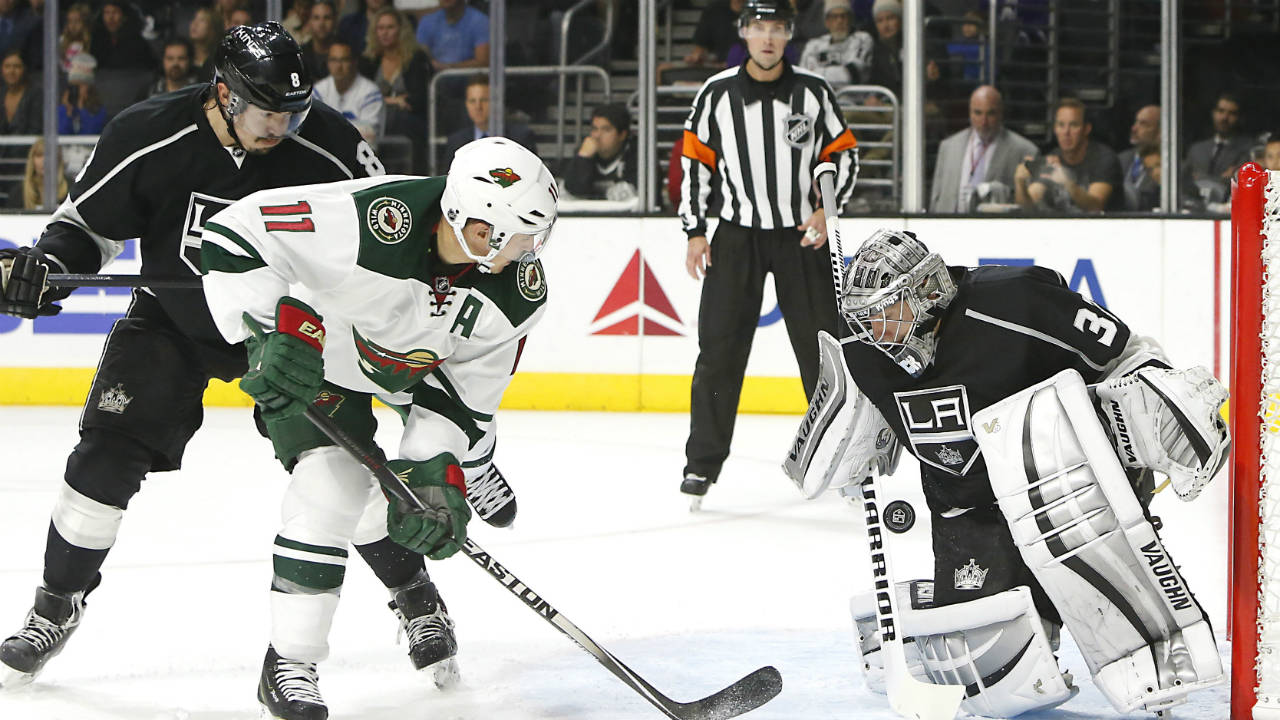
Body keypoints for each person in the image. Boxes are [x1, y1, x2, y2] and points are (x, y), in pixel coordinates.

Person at [0, 22, 502, 698]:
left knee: (344, 471)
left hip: (292, 334)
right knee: (103, 456)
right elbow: (87, 225)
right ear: (225, 95)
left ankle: (414, 593)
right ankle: (55, 604)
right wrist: (48, 264)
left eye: (294, 110)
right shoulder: (149, 131)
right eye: (269, 110)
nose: (283, 125)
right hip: (175, 322)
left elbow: (396, 232)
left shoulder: (327, 144)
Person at [199, 136, 557, 720]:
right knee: (333, 491)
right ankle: (289, 663)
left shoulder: (517, 294)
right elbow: (235, 230)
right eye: (521, 233)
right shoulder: (370, 220)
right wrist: (264, 333)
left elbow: (463, 401)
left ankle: (477, 465)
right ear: (475, 224)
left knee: (463, 450)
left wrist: (433, 476)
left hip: (420, 367)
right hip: (325, 363)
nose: (531, 249)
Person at [827, 228, 1227, 718]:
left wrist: (1155, 407)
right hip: (967, 503)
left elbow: (1126, 354)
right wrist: (864, 440)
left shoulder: (1016, 303)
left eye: (887, 312)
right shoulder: (861, 344)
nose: (875, 331)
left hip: (1069, 485)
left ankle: (1150, 648)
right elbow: (865, 404)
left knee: (1097, 604)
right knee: (988, 674)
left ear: (928, 292)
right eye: (865, 318)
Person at [678, 0, 857, 502]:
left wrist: (828, 208)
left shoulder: (813, 91)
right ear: (743, 33)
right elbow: (696, 163)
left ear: (789, 35)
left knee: (824, 354)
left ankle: (840, 460)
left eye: (777, 28)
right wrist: (695, 230)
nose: (768, 37)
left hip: (801, 236)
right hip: (736, 236)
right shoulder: (716, 94)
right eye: (758, 27)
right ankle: (701, 465)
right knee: (718, 354)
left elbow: (842, 152)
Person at [928, 85, 1036, 213]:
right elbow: (936, 199)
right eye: (978, 113)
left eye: (990, 113)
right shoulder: (948, 147)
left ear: (1001, 113)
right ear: (969, 113)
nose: (983, 121)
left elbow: (1029, 208)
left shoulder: (1023, 150)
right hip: (947, 227)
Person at [1015, 97, 1122, 213]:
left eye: (1074, 125)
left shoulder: (1104, 159)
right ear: (1055, 129)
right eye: (1061, 125)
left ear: (1086, 129)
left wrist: (1068, 183)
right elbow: (1028, 207)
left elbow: (1095, 207)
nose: (1066, 132)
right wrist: (1020, 184)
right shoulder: (1052, 158)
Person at [360, 8, 429, 171]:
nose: (385, 33)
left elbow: (418, 100)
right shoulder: (369, 60)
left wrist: (382, 99)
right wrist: (395, 100)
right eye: (381, 28)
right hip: (375, 118)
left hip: (409, 122)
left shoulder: (415, 58)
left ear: (401, 30)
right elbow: (361, 94)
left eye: (390, 27)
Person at [442, 74, 536, 171]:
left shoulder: (520, 138)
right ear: (466, 104)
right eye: (472, 101)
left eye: (484, 100)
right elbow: (448, 181)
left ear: (497, 103)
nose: (478, 107)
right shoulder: (456, 142)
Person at [1184, 91, 1254, 207]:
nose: (1224, 118)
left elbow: (1237, 183)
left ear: (1239, 118)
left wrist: (1200, 177)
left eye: (1231, 113)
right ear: (1213, 113)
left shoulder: (1248, 149)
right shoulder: (1197, 149)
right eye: (1221, 111)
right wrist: (1221, 178)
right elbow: (1186, 181)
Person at [313, 40, 383, 147]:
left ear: (354, 62)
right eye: (333, 60)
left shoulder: (370, 92)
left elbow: (369, 135)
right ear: (328, 63)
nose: (338, 66)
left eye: (344, 60)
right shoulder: (318, 91)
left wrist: (328, 131)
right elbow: (313, 131)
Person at [564, 102, 638, 201]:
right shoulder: (585, 155)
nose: (597, 136)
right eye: (595, 129)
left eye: (606, 130)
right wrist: (583, 158)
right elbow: (574, 191)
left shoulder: (637, 157)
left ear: (622, 135)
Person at [797, 0, 873, 90]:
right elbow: (802, 77)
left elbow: (851, 75)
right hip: (820, 100)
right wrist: (840, 71)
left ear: (851, 19)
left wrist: (815, 73)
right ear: (827, 22)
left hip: (852, 101)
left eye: (843, 16)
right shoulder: (813, 45)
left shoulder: (863, 39)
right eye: (834, 17)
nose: (839, 21)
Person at [1115, 104, 1160, 212]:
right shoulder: (1119, 160)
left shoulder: (1173, 170)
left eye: (1143, 124)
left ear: (1160, 131)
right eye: (1136, 122)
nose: (1134, 128)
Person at [89, 0, 154, 71]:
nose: (110, 17)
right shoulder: (97, 40)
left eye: (115, 12)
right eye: (107, 12)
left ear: (124, 16)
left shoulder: (137, 42)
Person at [6, 137, 66, 209]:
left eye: (49, 155)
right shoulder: (18, 192)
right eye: (39, 156)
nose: (44, 161)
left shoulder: (70, 190)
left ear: (58, 159)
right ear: (32, 160)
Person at [57, 54, 107, 135]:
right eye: (73, 86)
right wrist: (67, 113)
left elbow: (89, 133)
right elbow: (60, 135)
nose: (77, 89)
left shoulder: (97, 110)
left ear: (89, 87)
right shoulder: (62, 110)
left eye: (81, 85)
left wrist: (82, 108)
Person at [0, 49, 40, 135]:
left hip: (30, 147)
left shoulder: (36, 94)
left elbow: (36, 129)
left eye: (17, 66)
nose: (11, 71)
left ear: (25, 69)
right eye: (7, 66)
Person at [299, 0, 337, 80]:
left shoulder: (348, 54)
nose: (321, 24)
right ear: (309, 21)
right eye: (316, 18)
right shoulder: (300, 56)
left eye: (327, 18)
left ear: (335, 20)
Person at [188, 7, 223, 82]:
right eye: (194, 18)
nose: (195, 23)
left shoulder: (218, 61)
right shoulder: (184, 57)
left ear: (213, 27)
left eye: (202, 20)